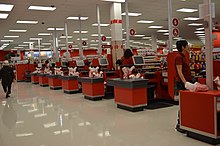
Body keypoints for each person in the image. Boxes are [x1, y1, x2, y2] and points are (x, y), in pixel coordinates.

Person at [175, 40, 192, 133]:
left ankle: (184, 123)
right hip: (182, 83)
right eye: (187, 46)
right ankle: (179, 123)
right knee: (183, 103)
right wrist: (185, 82)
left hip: (186, 82)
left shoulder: (183, 57)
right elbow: (179, 71)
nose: (188, 47)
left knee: (186, 103)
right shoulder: (178, 57)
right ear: (183, 47)